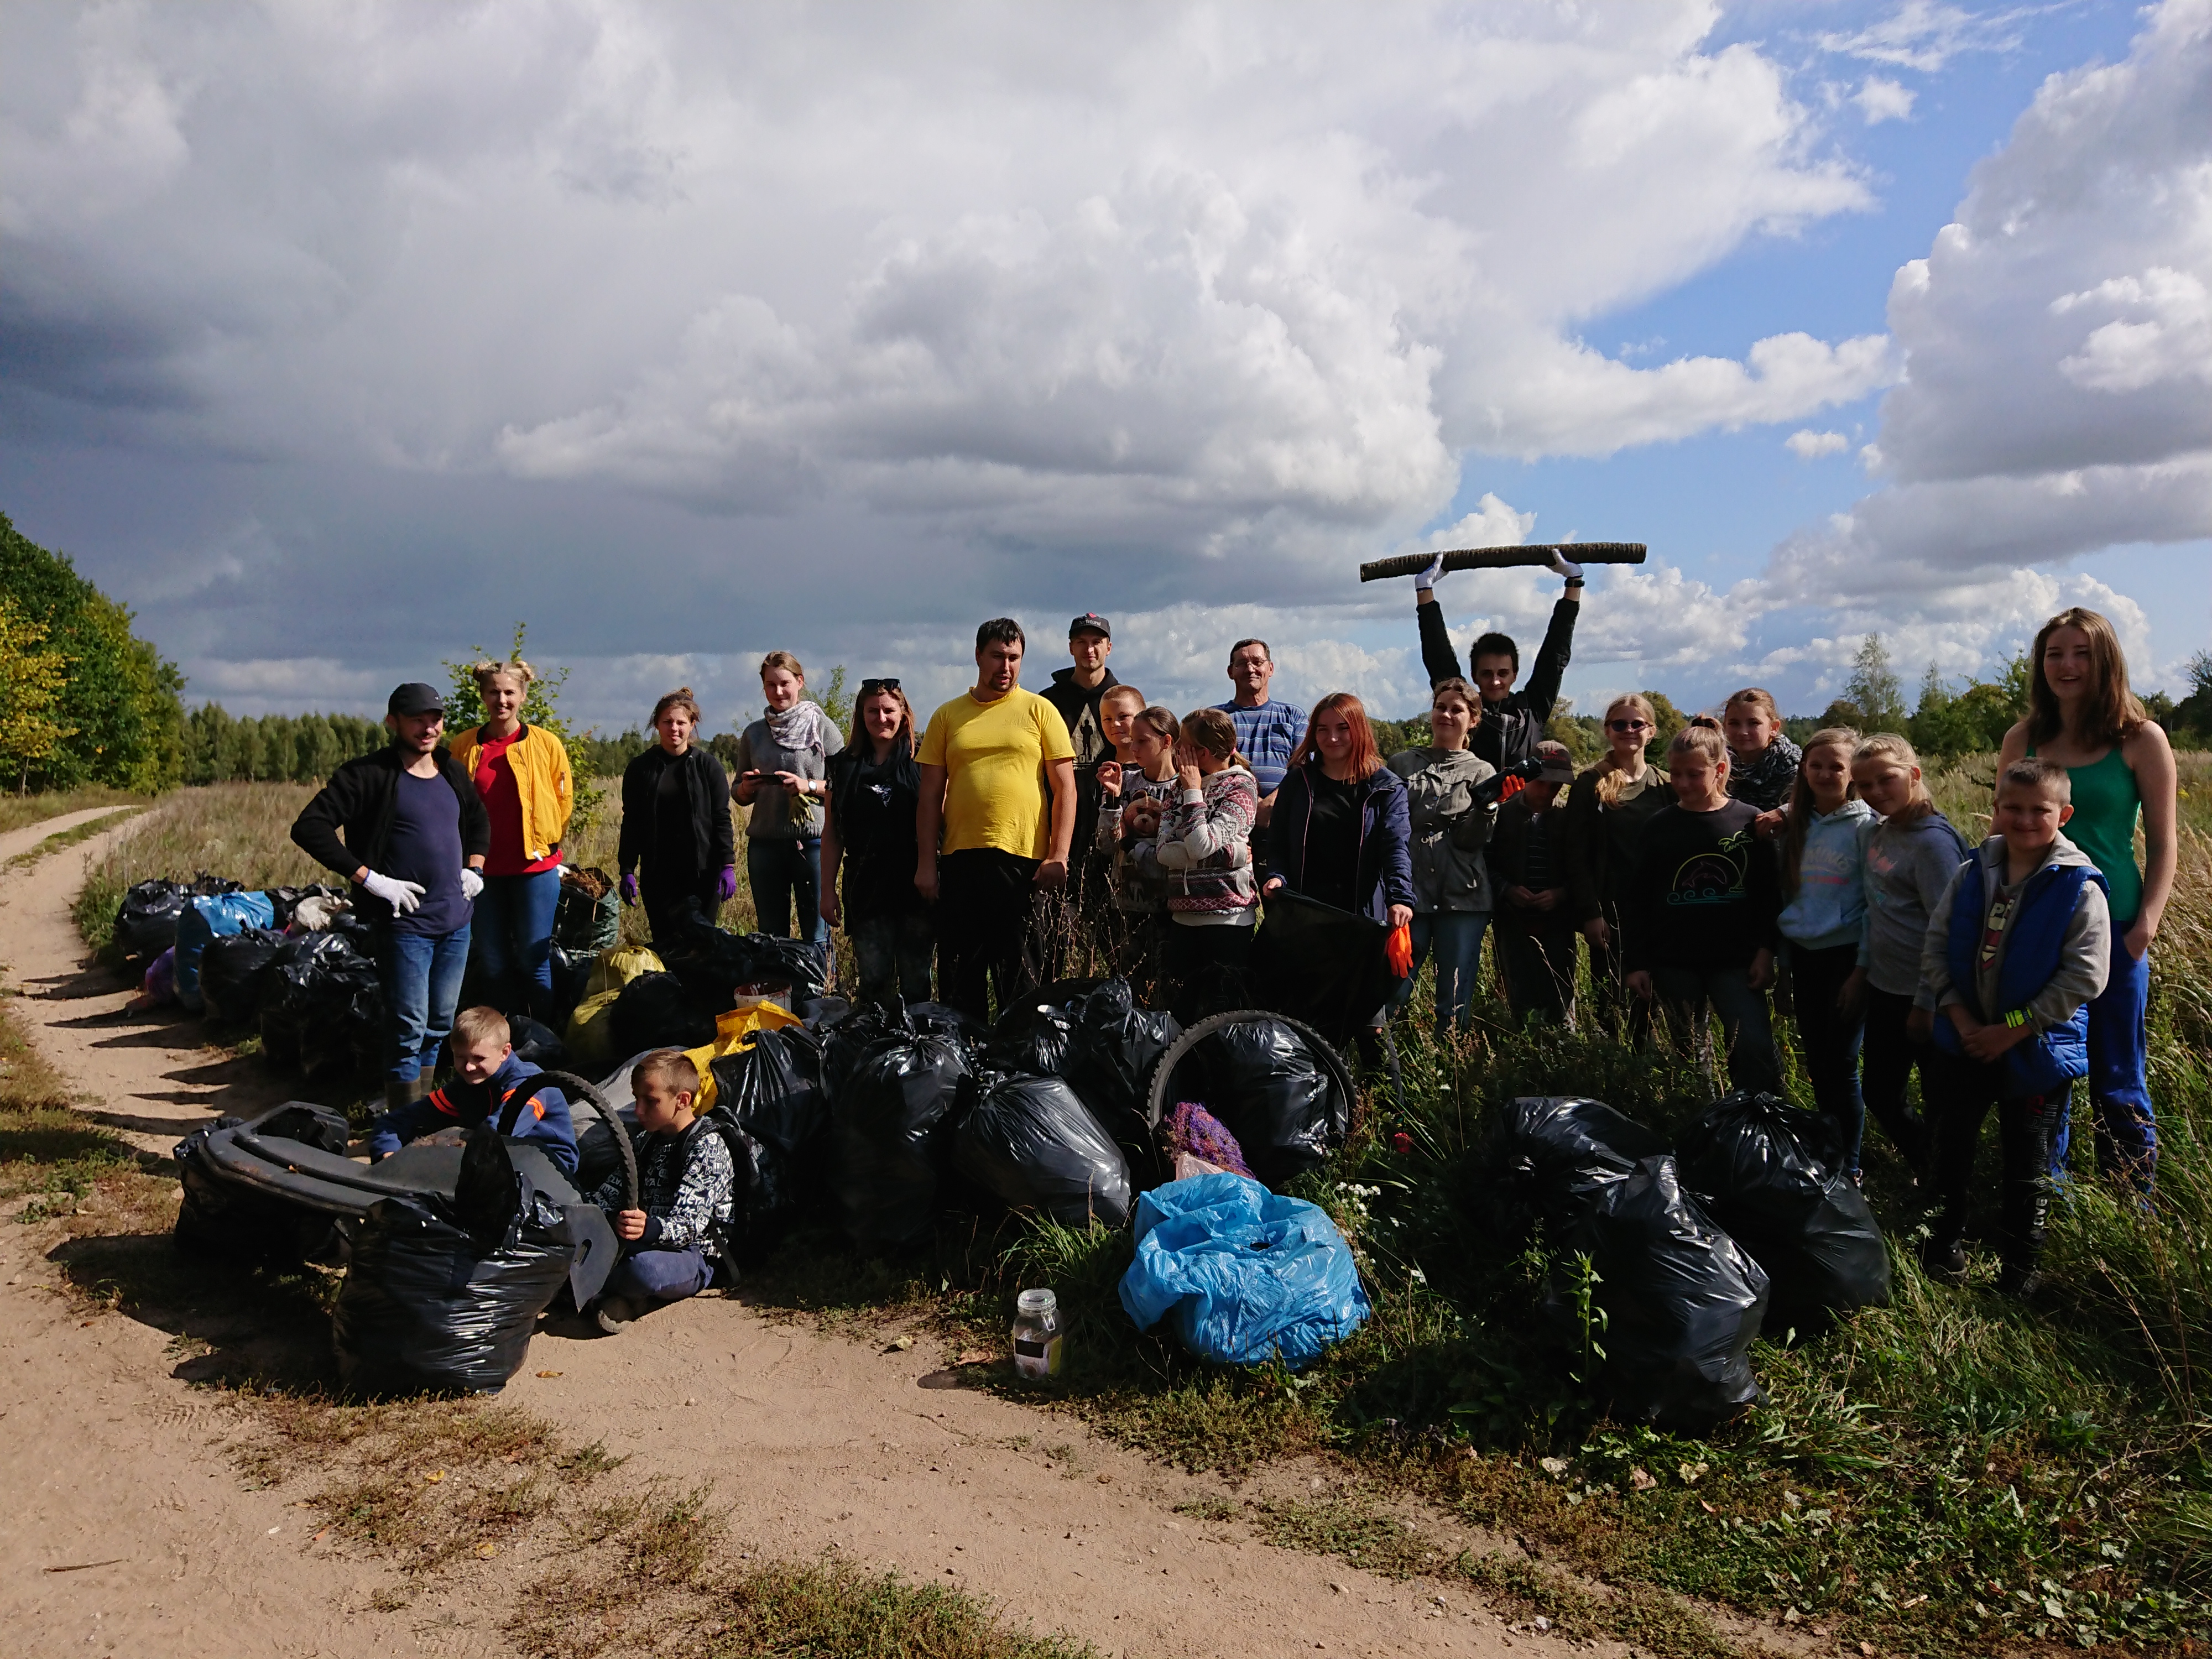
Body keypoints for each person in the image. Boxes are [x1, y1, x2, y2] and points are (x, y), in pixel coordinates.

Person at [1999, 606, 2177, 1192]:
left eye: (2082, 653)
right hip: (2037, 927)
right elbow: (2003, 834)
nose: (2067, 665)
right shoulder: (2023, 738)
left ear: (2106, 661)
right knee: (2044, 1066)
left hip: (2117, 927)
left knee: (2117, 1071)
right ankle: (2047, 1197)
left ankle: (2131, 1202)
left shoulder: (2139, 739)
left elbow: (2163, 843)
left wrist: (2145, 926)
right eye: (2055, 654)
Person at [1919, 758, 2112, 1295]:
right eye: (2013, 808)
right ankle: (1943, 1246)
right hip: (1965, 1039)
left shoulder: (2078, 887)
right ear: (1997, 809)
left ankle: (2020, 1269)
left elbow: (2086, 975)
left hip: (2036, 1049)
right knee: (1950, 1147)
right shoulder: (1971, 873)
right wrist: (1960, 1016)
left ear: (2063, 815)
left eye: (2039, 810)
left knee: (2028, 1161)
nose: (2025, 820)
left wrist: (2012, 1028)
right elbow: (1935, 948)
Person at [291, 681, 488, 1117]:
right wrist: (370, 879)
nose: (428, 728)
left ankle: (422, 1118)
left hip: (456, 922)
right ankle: (402, 1124)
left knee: (439, 1025)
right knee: (407, 1029)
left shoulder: (451, 770)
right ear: (393, 722)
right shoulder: (368, 776)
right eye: (417, 720)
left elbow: (478, 820)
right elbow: (310, 827)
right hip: (405, 925)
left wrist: (474, 868)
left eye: (435, 719)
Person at [915, 619, 1078, 1022]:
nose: (1006, 667)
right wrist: (926, 865)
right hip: (961, 859)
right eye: (997, 656)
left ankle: (1019, 1056)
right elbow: (930, 796)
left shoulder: (1040, 710)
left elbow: (1066, 789)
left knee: (1021, 979)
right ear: (978, 656)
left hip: (1023, 863)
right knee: (960, 978)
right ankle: (964, 1054)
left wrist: (1059, 855)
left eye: (1014, 658)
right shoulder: (948, 716)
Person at [1624, 718, 1782, 1095]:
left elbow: (1769, 895)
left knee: (1753, 1047)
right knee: (1689, 1054)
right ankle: (1704, 1115)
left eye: (1694, 774)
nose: (1682, 783)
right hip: (1674, 962)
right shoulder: (1658, 827)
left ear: (1720, 770)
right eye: (1676, 774)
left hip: (1737, 962)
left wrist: (1766, 952)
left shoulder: (1749, 822)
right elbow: (1638, 901)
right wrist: (1637, 963)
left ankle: (1762, 1117)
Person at [1848, 733, 1968, 1175]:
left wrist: (1926, 1003)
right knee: (1880, 1093)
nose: (1876, 792)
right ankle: (1927, 1166)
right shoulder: (1883, 831)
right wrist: (1862, 973)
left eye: (1887, 779)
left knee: (1942, 1100)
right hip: (1885, 988)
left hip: (1927, 998)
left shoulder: (1933, 844)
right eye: (1865, 785)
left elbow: (1948, 930)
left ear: (1914, 774)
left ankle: (1947, 1187)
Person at [446, 659, 574, 1025]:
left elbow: (564, 799)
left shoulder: (545, 744)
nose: (501, 700)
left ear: (522, 696)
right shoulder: (463, 745)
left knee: (534, 960)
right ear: (482, 696)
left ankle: (543, 1040)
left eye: (509, 692)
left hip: (534, 870)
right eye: (493, 692)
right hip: (481, 873)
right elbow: (451, 801)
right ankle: (497, 1038)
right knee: (493, 961)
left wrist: (548, 839)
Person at [1774, 727, 1876, 1175]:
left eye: (1837, 766)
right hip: (1804, 956)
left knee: (1842, 1064)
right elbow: (1787, 898)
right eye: (1815, 765)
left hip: (1847, 958)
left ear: (1853, 772)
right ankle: (1828, 1154)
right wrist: (1783, 966)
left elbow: (1875, 904)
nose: (1825, 773)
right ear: (1803, 769)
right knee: (1817, 1061)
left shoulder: (1867, 827)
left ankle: (1850, 1166)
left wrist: (1861, 971)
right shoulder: (1795, 824)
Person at [586, 1050, 735, 1334]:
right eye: (636, 1099)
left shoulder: (707, 1147)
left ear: (683, 1101)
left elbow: (690, 1226)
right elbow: (611, 1191)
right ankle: (615, 1299)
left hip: (691, 1255)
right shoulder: (645, 1141)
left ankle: (601, 1294)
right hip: (642, 1242)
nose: (638, 1110)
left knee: (644, 1270)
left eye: (650, 1101)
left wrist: (649, 1228)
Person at [1384, 677, 1499, 1032]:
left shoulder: (1483, 772)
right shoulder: (1401, 764)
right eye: (1440, 707)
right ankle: (1382, 1056)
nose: (1446, 715)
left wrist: (1487, 809)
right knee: (1393, 988)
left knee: (1454, 996)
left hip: (1462, 895)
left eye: (1457, 710)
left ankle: (1451, 1057)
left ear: (1473, 720)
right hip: (1408, 895)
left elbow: (1472, 841)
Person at [1134, 708, 1259, 1018]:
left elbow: (1200, 844)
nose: (1177, 750)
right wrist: (1234, 855)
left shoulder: (1240, 788)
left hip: (1228, 920)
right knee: (1182, 1014)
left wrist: (1193, 792)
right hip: (1184, 918)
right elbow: (1164, 852)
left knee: (1223, 1015)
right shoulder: (1177, 789)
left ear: (1202, 753)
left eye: (1183, 745)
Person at [1412, 548, 1582, 771]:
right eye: (1486, 674)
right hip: (1471, 795)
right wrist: (1424, 589)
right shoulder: (1464, 710)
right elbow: (1438, 657)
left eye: (1503, 673)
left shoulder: (1533, 709)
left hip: (1522, 795)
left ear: (1514, 675)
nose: (1495, 681)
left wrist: (1574, 582)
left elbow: (1555, 655)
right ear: (1474, 677)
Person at [1562, 694, 1673, 1026]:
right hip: (1611, 914)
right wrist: (1590, 913)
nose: (1629, 730)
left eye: (1637, 724)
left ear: (1651, 731)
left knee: (1659, 1007)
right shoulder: (1591, 783)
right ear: (1608, 731)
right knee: (1611, 1009)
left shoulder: (1667, 785)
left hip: (1660, 913)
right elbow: (1575, 854)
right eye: (1620, 724)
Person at [821, 678, 932, 1008]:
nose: (881, 718)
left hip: (917, 888)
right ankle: (874, 1038)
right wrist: (827, 890)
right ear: (861, 715)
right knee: (873, 983)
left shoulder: (925, 760)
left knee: (916, 983)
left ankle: (917, 1039)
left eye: (889, 710)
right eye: (873, 711)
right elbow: (832, 832)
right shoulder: (841, 766)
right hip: (866, 888)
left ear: (903, 713)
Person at [365, 1005, 578, 1175]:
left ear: (505, 1053)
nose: (468, 1067)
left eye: (479, 1058)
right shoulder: (464, 1086)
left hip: (551, 1168)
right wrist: (389, 1157)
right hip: (495, 1159)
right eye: (461, 1057)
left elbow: (497, 1133)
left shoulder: (529, 1085)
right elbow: (395, 1121)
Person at [1264, 693, 1415, 930]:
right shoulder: (1296, 782)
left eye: (1343, 728)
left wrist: (1400, 898)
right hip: (1304, 917)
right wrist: (1277, 876)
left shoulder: (1387, 788)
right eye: (1323, 729)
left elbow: (1395, 847)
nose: (1332, 738)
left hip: (1362, 918)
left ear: (1359, 730)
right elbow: (1277, 843)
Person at [731, 652, 842, 953]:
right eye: (771, 685)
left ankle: (821, 982)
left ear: (800, 682)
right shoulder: (754, 734)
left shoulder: (822, 728)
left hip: (814, 845)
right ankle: (778, 984)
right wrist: (747, 788)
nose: (778, 691)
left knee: (816, 935)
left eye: (785, 683)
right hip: (765, 846)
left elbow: (845, 786)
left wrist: (808, 786)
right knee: (771, 937)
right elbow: (738, 792)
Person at [618, 690, 737, 949]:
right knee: (666, 948)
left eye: (681, 722)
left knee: (703, 948)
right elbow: (632, 823)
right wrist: (627, 869)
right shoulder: (640, 769)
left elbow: (721, 819)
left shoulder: (708, 767)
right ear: (657, 725)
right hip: (658, 876)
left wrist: (727, 865)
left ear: (692, 725)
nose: (674, 728)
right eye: (667, 722)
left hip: (703, 874)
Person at [1039, 613, 1125, 961]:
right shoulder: (1047, 701)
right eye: (1082, 642)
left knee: (1114, 938)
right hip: (1058, 826)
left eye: (1097, 642)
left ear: (1109, 647)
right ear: (1071, 647)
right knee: (1052, 935)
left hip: (1108, 823)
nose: (1090, 649)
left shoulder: (1123, 702)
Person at [1488, 741, 1580, 1028]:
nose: (1548, 790)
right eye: (1542, 782)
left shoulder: (1569, 819)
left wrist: (1562, 894)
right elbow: (1484, 863)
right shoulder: (1501, 815)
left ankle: (1562, 1047)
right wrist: (1506, 889)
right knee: (1519, 996)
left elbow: (1582, 869)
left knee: (1560, 997)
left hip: (1559, 923)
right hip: (1512, 921)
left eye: (1557, 784)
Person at [1092, 696, 1178, 994]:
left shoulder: (1185, 787)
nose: (1134, 748)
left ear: (1166, 742)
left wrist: (1131, 843)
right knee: (1127, 986)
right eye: (1133, 740)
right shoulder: (1125, 780)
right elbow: (1106, 845)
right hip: (1127, 904)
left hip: (1172, 906)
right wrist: (1113, 800)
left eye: (1143, 741)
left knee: (1166, 986)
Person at [1217, 639, 1307, 842]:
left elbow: (1302, 768)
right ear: (1230, 672)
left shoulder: (1294, 716)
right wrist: (1249, 803)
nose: (1250, 669)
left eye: (1257, 662)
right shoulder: (1216, 718)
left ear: (1271, 668)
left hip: (1283, 826)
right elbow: (1212, 769)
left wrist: (1272, 803)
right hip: (1228, 829)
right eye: (1242, 664)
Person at [1723, 687, 1802, 813]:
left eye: (1753, 723)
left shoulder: (1795, 769)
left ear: (1774, 728)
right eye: (1734, 723)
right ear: (1724, 726)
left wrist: (1784, 814)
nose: (1743, 732)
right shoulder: (1717, 767)